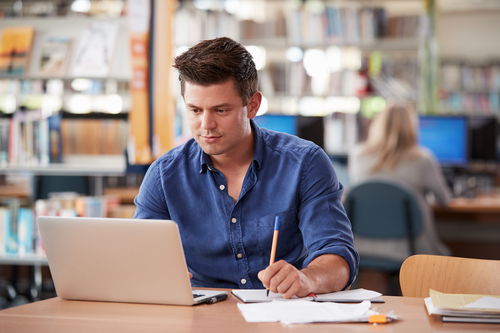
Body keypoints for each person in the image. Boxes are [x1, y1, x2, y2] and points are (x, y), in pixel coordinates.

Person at [134, 37, 358, 298]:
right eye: (195, 110)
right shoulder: (164, 175)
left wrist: (307, 279)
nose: (206, 125)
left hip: (283, 312)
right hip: (201, 315)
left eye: (220, 110)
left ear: (252, 105)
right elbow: (141, 257)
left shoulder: (305, 163)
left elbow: (338, 256)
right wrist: (152, 272)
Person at [348, 103, 452, 261]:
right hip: (411, 248)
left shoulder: (358, 156)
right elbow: (444, 200)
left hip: (364, 246)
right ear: (412, 127)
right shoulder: (422, 159)